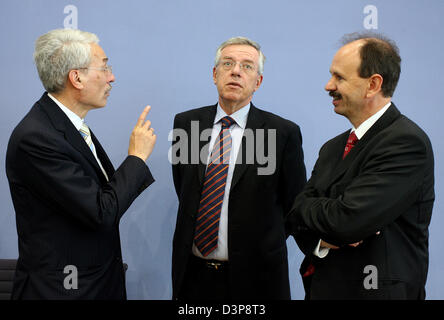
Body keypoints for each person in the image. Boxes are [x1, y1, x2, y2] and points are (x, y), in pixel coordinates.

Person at [5, 29, 157, 299]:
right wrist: (137, 157)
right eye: (104, 67)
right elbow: (101, 212)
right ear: (76, 77)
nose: (112, 77)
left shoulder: (66, 126)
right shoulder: (37, 138)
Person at [288, 32, 434, 299]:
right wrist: (320, 228)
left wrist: (315, 211)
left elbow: (346, 222)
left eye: (339, 77)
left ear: (373, 84)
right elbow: (296, 215)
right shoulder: (333, 147)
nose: (328, 85)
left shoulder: (405, 142)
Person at [171, 36, 306, 300]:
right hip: (194, 277)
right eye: (228, 63)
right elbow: (185, 188)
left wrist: (261, 242)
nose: (235, 71)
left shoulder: (282, 133)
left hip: (257, 279)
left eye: (247, 66)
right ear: (214, 74)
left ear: (259, 81)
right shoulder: (186, 123)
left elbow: (294, 205)